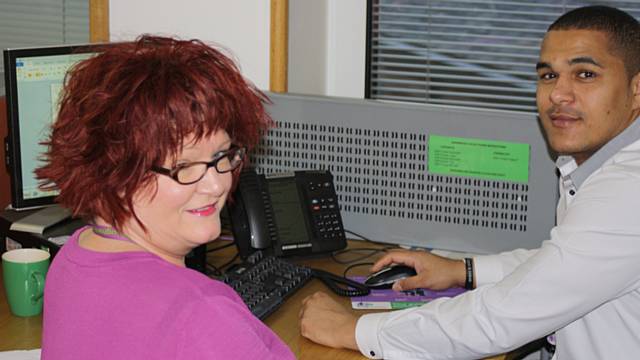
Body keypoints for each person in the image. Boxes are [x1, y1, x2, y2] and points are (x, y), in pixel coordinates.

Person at [299, 5, 640, 359]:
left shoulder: (626, 193)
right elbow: (562, 264)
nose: (557, 94)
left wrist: (355, 330)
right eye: (548, 76)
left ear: (636, 89)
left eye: (585, 74)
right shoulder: (594, 166)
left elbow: (500, 317)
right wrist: (462, 270)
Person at [36, 35, 294, 359]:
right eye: (183, 166)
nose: (216, 184)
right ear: (115, 172)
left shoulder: (72, 256)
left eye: (222, 156)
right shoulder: (201, 311)